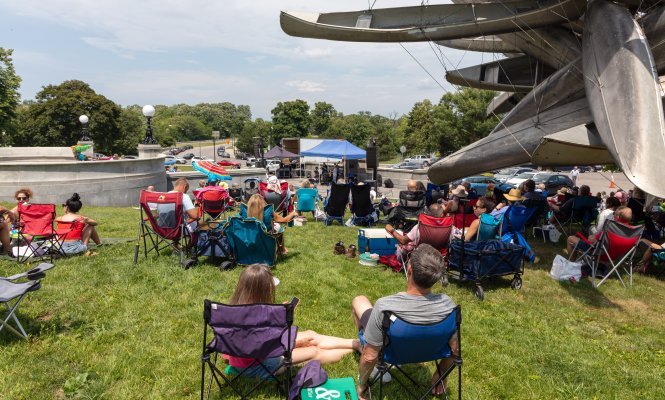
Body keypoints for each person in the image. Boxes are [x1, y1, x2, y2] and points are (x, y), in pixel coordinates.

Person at [352, 244, 457, 399]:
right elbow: (455, 350)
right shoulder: (449, 306)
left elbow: (369, 356)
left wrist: (362, 384)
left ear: (409, 270)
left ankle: (367, 354)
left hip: (389, 350)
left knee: (359, 300)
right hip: (429, 350)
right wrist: (441, 374)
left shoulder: (385, 306)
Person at [226, 264, 358, 378]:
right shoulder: (256, 318)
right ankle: (356, 350)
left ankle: (356, 344)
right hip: (259, 366)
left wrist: (278, 316)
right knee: (314, 351)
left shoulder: (233, 309)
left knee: (310, 334)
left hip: (255, 357)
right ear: (261, 292)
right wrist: (291, 334)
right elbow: (268, 347)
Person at [566, 206, 633, 258]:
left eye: (614, 213)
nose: (613, 215)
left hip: (601, 254)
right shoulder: (633, 230)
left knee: (570, 238)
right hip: (619, 255)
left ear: (617, 216)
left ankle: (571, 263)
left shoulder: (611, 227)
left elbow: (592, 240)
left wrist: (590, 237)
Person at [0, 188, 34, 256]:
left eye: (24, 198)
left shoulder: (33, 208)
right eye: (19, 198)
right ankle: (8, 249)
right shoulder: (15, 210)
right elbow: (6, 221)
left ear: (28, 199)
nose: (21, 200)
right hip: (18, 235)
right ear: (16, 199)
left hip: (32, 233)